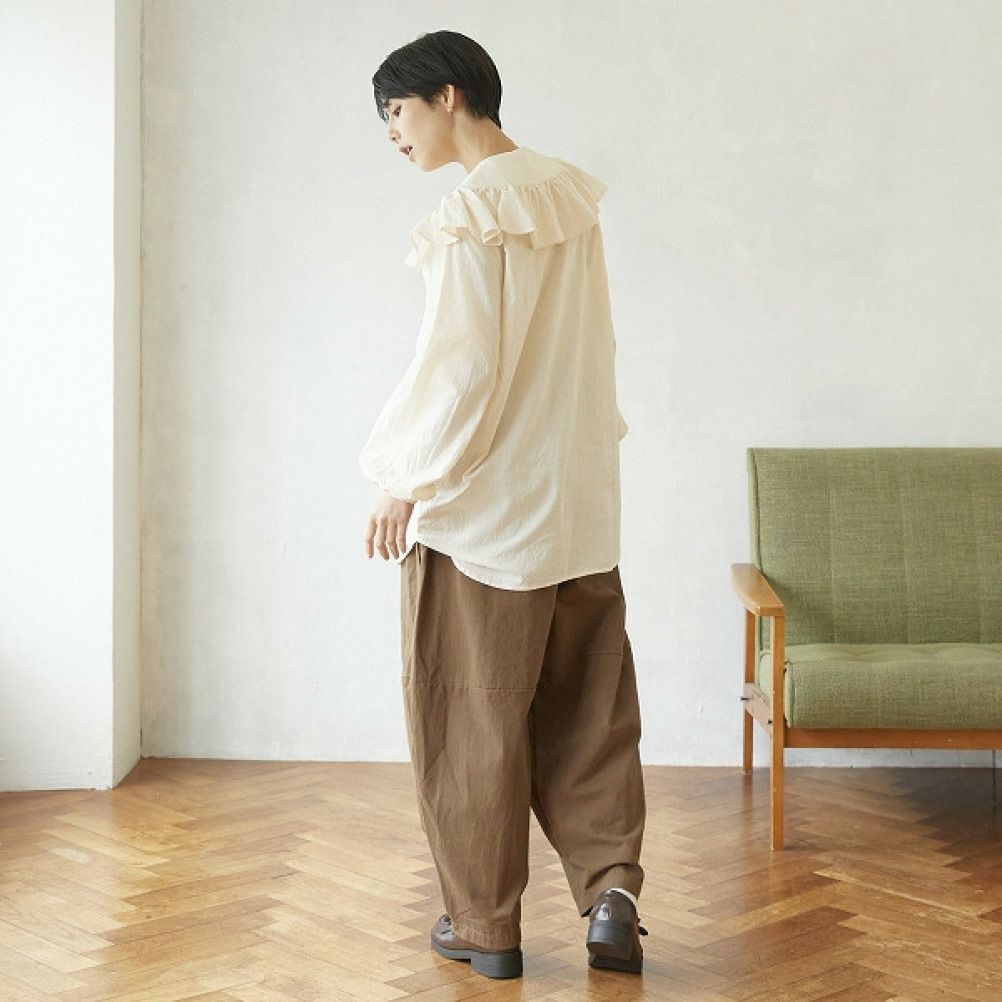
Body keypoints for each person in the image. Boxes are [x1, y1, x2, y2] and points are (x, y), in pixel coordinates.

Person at [360, 30, 647, 980]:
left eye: (396, 110)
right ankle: (612, 896)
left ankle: (486, 929)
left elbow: (462, 369)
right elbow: (591, 352)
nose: (392, 133)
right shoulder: (567, 196)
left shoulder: (469, 215)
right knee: (592, 714)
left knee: (469, 721)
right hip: (577, 507)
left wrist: (403, 477)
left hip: (487, 522)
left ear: (447, 95)